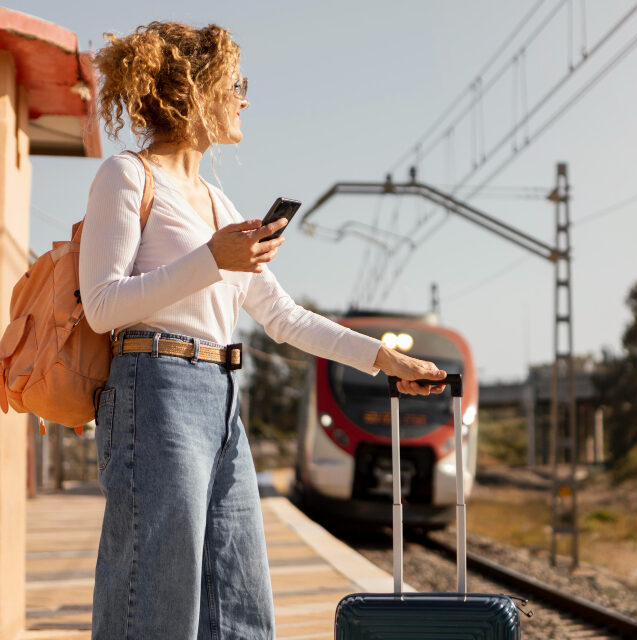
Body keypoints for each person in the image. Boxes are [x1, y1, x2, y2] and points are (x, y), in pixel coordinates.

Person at [80, 21, 444, 640]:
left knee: (243, 607)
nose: (244, 97)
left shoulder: (219, 205)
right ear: (194, 89)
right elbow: (102, 306)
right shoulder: (127, 177)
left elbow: (283, 317)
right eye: (234, 83)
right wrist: (211, 261)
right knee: (159, 606)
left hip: (222, 397)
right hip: (154, 391)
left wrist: (384, 358)